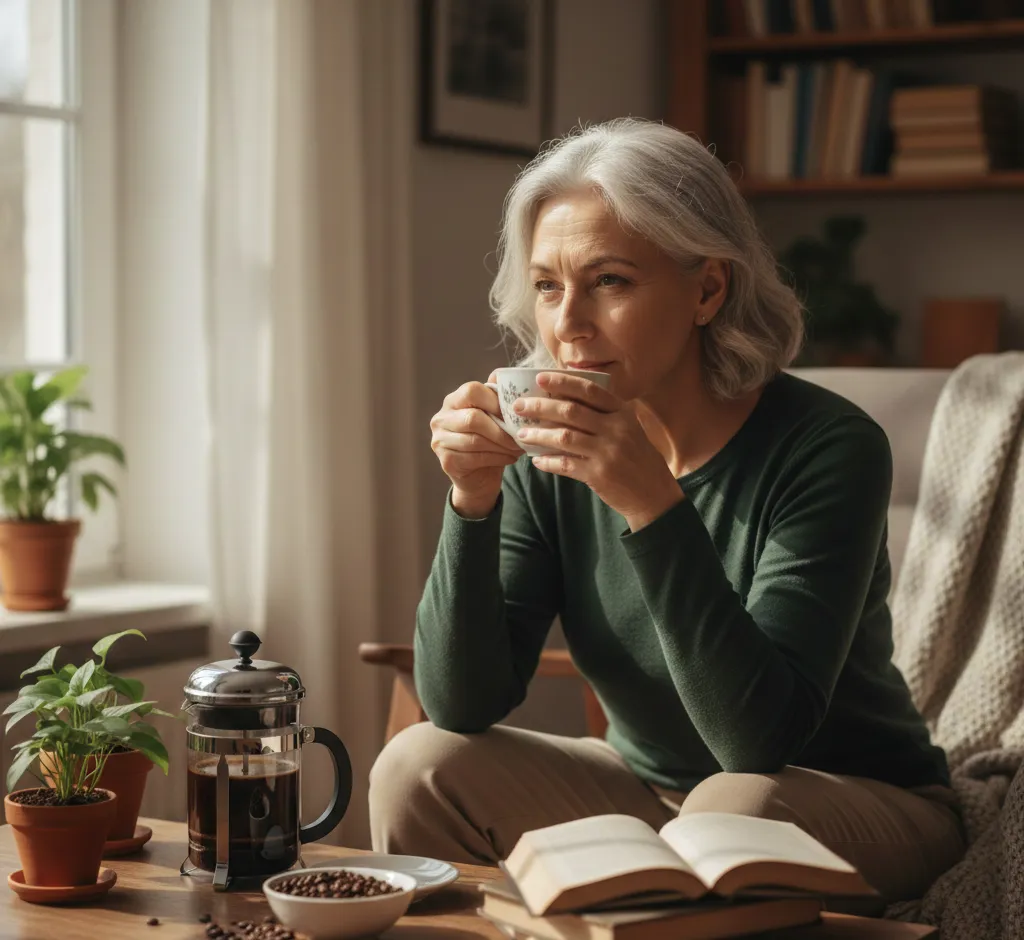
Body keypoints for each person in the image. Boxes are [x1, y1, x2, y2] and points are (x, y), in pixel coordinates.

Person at [368, 118, 964, 905]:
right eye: (549, 285)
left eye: (609, 280)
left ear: (707, 289)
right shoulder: (550, 452)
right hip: (650, 799)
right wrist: (471, 501)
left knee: (734, 805)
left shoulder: (828, 448)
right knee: (417, 765)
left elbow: (758, 740)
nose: (568, 322)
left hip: (853, 800)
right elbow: (462, 704)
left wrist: (649, 500)